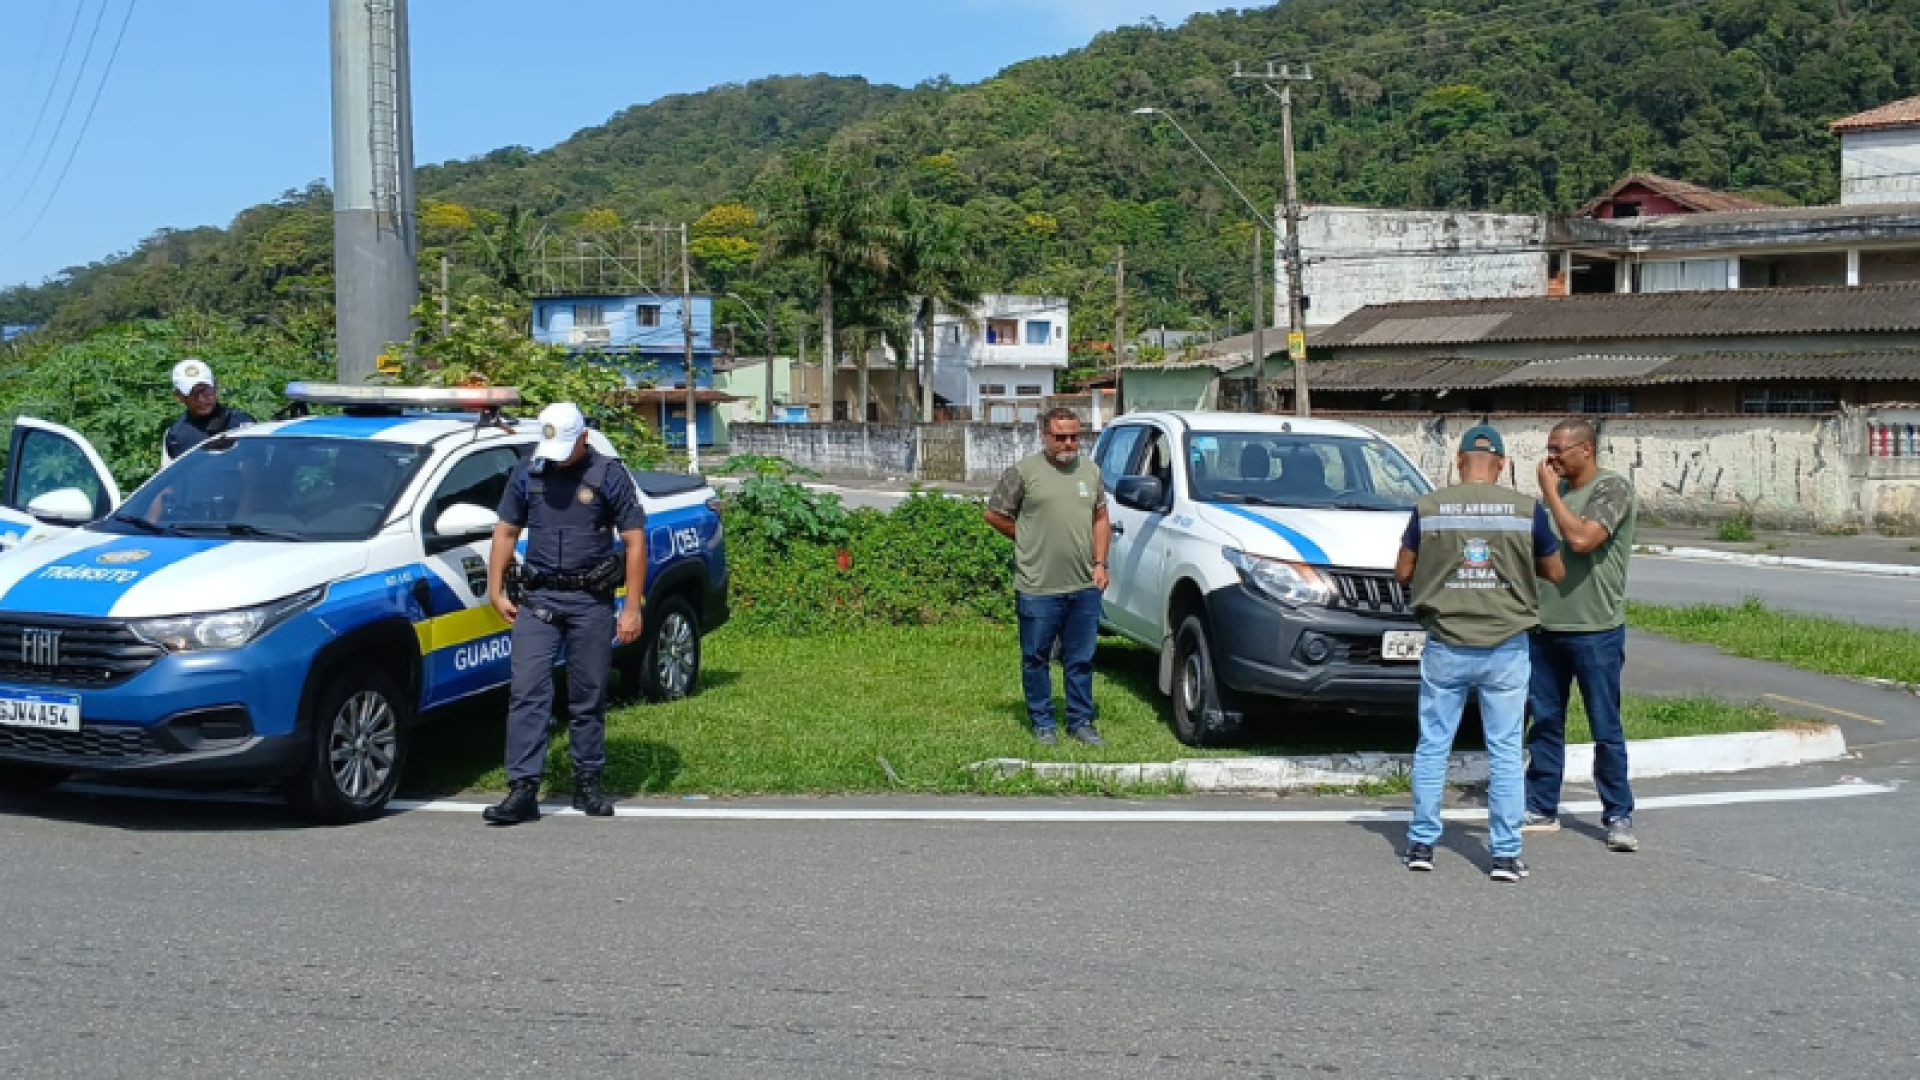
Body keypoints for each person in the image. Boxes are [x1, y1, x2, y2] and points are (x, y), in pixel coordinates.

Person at [1394, 423, 1565, 883]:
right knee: (1505, 749)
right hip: (1506, 645)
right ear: (1502, 465)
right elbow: (1555, 571)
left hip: (1446, 641)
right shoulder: (1525, 511)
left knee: (1434, 744)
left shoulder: (1430, 508)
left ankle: (1421, 844)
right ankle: (1505, 855)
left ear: (1458, 461)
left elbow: (1403, 571)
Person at [482, 403, 648, 825]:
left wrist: (631, 607)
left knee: (587, 695)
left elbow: (634, 541)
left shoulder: (609, 474)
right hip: (538, 600)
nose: (557, 458)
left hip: (590, 601)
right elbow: (505, 531)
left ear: (584, 438)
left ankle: (587, 783)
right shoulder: (528, 472)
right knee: (527, 693)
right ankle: (523, 790)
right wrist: (494, 588)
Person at [1527, 417, 1641, 852]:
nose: (1551, 457)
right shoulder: (1555, 496)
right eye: (1549, 449)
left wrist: (1551, 496)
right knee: (1545, 722)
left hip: (1595, 630)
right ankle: (1541, 805)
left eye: (1558, 449)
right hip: (1545, 628)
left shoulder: (1611, 489)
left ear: (1586, 450)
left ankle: (1618, 814)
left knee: (1605, 726)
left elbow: (1582, 540)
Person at [984, 407, 1112, 747]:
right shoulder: (1024, 472)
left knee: (1080, 659)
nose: (1068, 443)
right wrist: (1026, 538)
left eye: (1074, 436)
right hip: (1038, 585)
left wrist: (1101, 564)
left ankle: (1080, 721)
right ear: (1045, 436)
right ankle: (1043, 722)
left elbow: (1101, 518)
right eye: (1060, 437)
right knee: (1036, 657)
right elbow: (994, 514)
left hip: (1084, 584)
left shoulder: (1091, 472)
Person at [162, 359, 255, 468]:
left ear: (216, 387)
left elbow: (257, 468)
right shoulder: (175, 437)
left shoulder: (243, 424)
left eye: (206, 391)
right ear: (179, 396)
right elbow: (170, 476)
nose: (201, 399)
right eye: (193, 394)